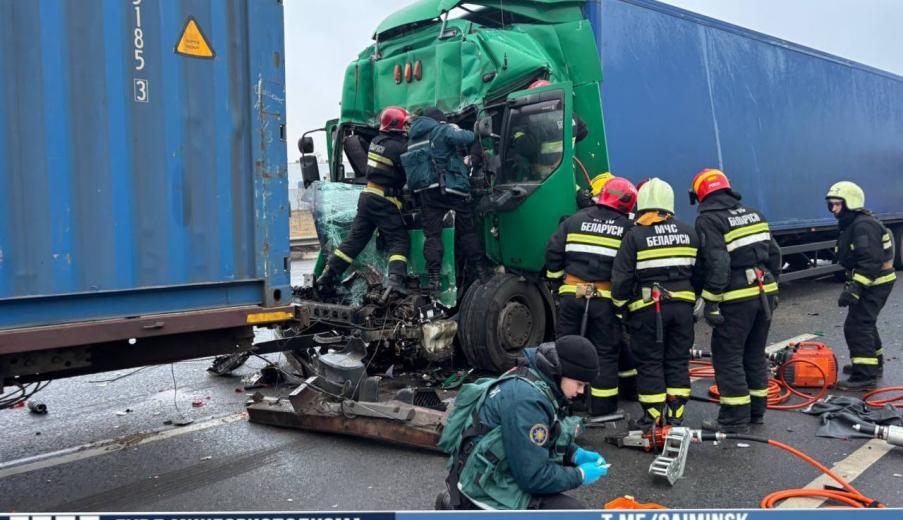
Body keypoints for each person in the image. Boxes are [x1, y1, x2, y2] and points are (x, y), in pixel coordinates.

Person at [436, 336, 609, 510]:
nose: (581, 391)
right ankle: (464, 508)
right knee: (573, 513)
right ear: (562, 371)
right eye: (579, 383)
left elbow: (540, 438)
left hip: (479, 472)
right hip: (482, 486)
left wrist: (573, 454)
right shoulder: (528, 401)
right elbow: (534, 478)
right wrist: (579, 475)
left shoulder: (533, 375)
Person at [690, 168, 781, 433]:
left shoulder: (709, 220)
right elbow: (774, 254)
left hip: (736, 297)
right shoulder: (754, 214)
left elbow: (718, 264)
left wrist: (711, 301)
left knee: (728, 356)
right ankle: (756, 412)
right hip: (764, 292)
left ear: (701, 194)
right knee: (753, 353)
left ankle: (733, 419)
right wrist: (774, 285)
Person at [611, 178, 700, 429]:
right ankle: (676, 413)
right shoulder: (689, 232)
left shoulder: (635, 235)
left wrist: (619, 306)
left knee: (650, 361)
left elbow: (622, 277)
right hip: (683, 309)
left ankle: (652, 416)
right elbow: (700, 272)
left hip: (648, 310)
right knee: (677, 359)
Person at [545, 177, 637, 416]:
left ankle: (561, 404)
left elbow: (553, 250)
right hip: (604, 299)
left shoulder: (574, 220)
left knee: (565, 348)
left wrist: (556, 280)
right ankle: (602, 407)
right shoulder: (628, 230)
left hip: (571, 294)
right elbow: (627, 270)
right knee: (605, 352)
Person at [316, 107, 410, 296]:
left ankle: (327, 277)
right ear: (396, 124)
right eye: (405, 123)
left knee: (354, 241)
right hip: (384, 200)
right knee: (399, 240)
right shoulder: (399, 147)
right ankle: (395, 282)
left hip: (367, 197)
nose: (408, 127)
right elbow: (408, 173)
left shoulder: (376, 141)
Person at [402, 106, 489, 296]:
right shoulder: (442, 129)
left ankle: (433, 278)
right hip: (451, 189)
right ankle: (481, 271)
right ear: (440, 120)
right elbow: (468, 137)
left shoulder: (414, 137)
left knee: (432, 236)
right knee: (467, 231)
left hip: (426, 193)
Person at [826, 181, 896, 389]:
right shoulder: (854, 223)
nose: (834, 209)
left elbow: (870, 262)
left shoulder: (863, 226)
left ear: (851, 203)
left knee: (857, 326)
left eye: (838, 204)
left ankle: (864, 376)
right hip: (873, 281)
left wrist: (855, 289)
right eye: (831, 205)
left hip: (875, 282)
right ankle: (874, 364)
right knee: (866, 322)